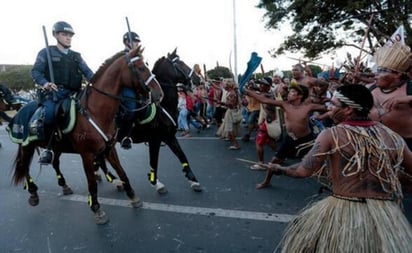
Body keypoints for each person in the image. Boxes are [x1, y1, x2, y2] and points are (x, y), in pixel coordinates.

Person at [269, 84, 412, 253]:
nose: (330, 108)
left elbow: (303, 170)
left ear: (349, 110)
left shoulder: (332, 134)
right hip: (385, 216)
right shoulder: (392, 137)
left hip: (343, 211)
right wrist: (395, 175)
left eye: (335, 105)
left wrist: (279, 169)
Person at [31, 21, 94, 164]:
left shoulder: (76, 56)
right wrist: (45, 83)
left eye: (70, 35)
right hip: (55, 93)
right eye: (64, 34)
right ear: (55, 35)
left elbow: (89, 73)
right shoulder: (45, 52)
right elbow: (35, 71)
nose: (68, 38)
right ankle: (48, 148)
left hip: (75, 93)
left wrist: (98, 82)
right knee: (49, 116)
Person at [244, 83, 327, 188]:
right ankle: (266, 182)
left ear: (300, 96)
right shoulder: (285, 104)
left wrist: (328, 106)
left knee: (317, 163)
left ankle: (331, 184)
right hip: (290, 139)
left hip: (306, 141)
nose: (289, 94)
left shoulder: (309, 107)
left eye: (292, 92)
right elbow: (264, 100)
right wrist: (247, 91)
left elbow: (328, 109)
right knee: (274, 162)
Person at [117, 31, 141, 149]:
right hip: (126, 88)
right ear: (127, 42)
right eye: (135, 41)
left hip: (139, 87)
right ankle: (124, 135)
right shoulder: (121, 56)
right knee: (131, 109)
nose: (137, 44)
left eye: (137, 42)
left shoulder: (138, 56)